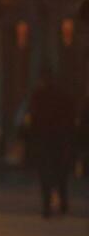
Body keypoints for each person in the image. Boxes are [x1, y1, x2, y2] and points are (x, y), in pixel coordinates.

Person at [24, 71, 73, 217]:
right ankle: (62, 201)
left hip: (44, 138)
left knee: (46, 173)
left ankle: (48, 204)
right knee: (59, 172)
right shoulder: (62, 96)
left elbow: (32, 117)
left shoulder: (39, 96)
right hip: (57, 138)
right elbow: (69, 116)